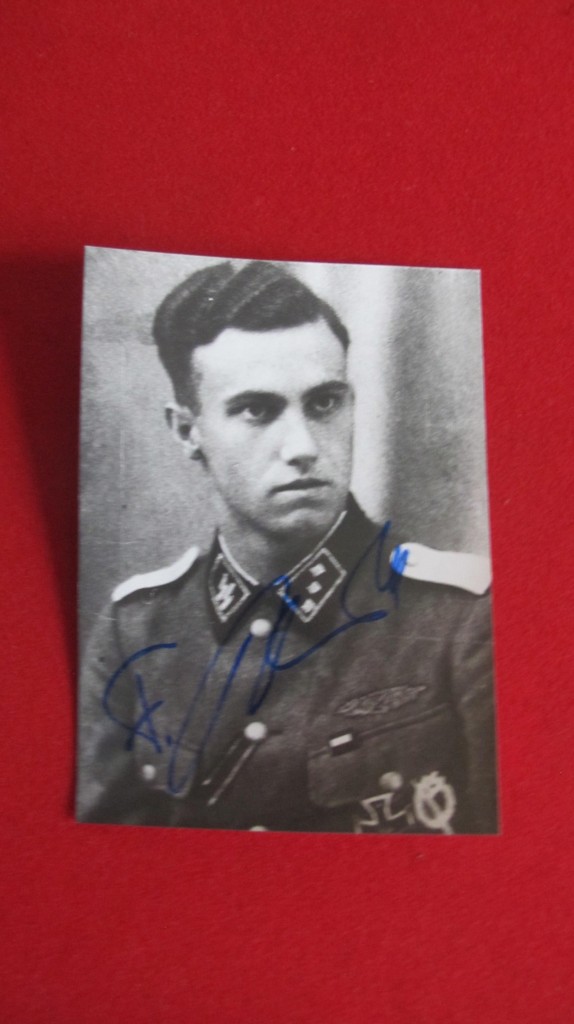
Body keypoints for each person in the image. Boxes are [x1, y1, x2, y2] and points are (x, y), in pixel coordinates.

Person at [77, 260, 497, 833]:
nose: (303, 447)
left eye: (324, 404)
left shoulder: (462, 620)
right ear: (187, 430)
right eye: (257, 410)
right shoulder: (136, 630)